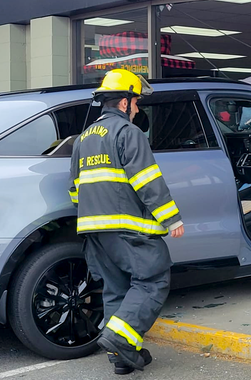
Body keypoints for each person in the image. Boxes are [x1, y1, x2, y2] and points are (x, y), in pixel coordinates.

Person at [68, 69, 184, 375]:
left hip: (94, 231)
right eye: (135, 103)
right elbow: (147, 180)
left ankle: (122, 358)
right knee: (153, 280)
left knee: (117, 289)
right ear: (124, 102)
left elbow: (75, 188)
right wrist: (171, 219)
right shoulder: (128, 133)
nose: (137, 109)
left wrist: (93, 216)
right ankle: (119, 338)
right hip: (129, 228)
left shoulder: (83, 139)